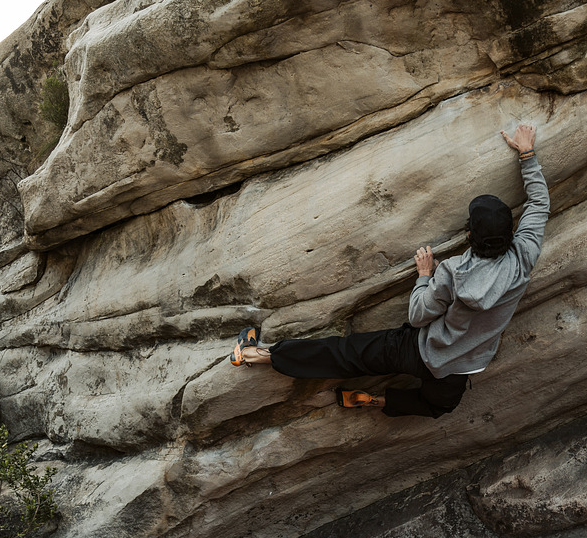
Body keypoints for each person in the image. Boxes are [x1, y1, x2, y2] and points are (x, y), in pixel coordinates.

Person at [230, 123, 549, 418]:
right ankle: (376, 401)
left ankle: (258, 354)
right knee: (441, 405)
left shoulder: (453, 271)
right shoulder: (525, 253)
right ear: (512, 232)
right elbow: (539, 204)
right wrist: (527, 153)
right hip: (462, 366)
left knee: (345, 353)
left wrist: (425, 276)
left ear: (469, 235)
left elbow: (418, 316)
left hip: (422, 350)